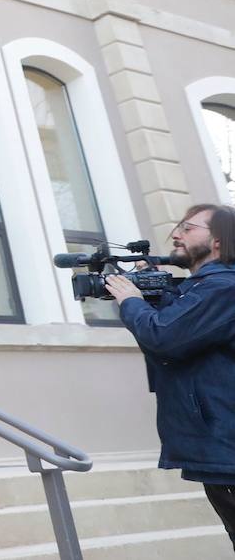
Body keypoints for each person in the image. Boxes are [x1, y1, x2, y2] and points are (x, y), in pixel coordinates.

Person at [106, 203, 235, 548]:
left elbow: (165, 337)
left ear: (220, 240)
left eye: (188, 228)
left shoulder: (223, 288)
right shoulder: (205, 288)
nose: (175, 234)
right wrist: (150, 287)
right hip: (222, 446)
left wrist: (132, 300)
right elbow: (180, 326)